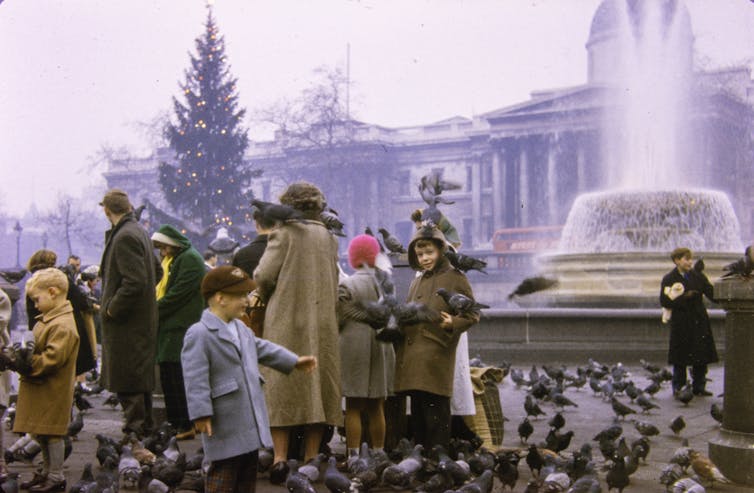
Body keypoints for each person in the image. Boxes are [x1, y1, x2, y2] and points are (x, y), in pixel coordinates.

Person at [182, 265, 317, 493]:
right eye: (240, 296)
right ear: (220, 298)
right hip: (222, 422)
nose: (246, 300)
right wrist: (200, 412)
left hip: (247, 422)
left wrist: (292, 360)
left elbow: (262, 348)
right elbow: (194, 376)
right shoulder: (199, 333)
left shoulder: (241, 329)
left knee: (246, 479)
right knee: (223, 477)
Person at [253, 181, 340, 482]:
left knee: (281, 386)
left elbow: (263, 275)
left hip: (286, 320)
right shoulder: (328, 236)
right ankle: (310, 458)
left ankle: (279, 458)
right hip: (322, 322)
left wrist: (264, 293)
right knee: (316, 387)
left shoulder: (284, 232)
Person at [393, 225, 480, 449]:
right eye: (420, 254)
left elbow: (473, 314)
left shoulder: (455, 277)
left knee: (436, 414)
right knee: (419, 414)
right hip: (413, 356)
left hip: (436, 355)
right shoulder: (416, 280)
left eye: (429, 253)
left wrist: (454, 322)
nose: (424, 258)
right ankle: (422, 460)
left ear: (441, 250)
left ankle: (437, 460)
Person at [1, 268, 80, 492]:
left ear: (53, 292)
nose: (35, 305)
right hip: (43, 389)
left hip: (52, 390)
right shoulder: (49, 319)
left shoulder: (62, 325)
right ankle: (45, 472)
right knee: (42, 433)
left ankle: (56, 476)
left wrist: (25, 364)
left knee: (52, 434)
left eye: (37, 299)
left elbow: (52, 359)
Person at [99, 189, 160, 437]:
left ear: (106, 210)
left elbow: (135, 281)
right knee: (138, 376)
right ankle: (145, 430)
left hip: (127, 323)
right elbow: (157, 271)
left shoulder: (124, 236)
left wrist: (113, 307)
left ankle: (134, 433)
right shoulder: (139, 232)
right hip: (140, 320)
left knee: (128, 378)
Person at [337, 234, 395, 453]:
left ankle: (353, 455)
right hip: (381, 348)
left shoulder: (347, 284)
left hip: (354, 349)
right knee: (376, 406)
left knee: (353, 407)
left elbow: (340, 319)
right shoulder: (385, 284)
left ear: (353, 257)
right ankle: (378, 452)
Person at [151, 224, 206, 440]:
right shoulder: (178, 258)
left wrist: (154, 310)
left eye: (164, 248)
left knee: (176, 375)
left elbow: (178, 293)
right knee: (169, 373)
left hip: (180, 325)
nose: (163, 253)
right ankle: (177, 423)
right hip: (171, 325)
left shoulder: (189, 259)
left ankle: (185, 424)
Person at [24, 250, 96, 381]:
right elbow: (80, 300)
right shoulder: (60, 278)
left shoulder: (33, 282)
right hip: (72, 324)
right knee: (73, 369)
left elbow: (32, 316)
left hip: (44, 330)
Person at [660, 247, 718, 396]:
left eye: (691, 259)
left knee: (701, 355)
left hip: (699, 320)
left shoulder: (698, 276)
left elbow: (712, 293)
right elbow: (664, 301)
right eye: (686, 259)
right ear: (677, 260)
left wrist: (729, 297)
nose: (690, 262)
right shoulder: (669, 279)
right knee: (680, 357)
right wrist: (684, 297)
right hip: (681, 322)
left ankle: (699, 386)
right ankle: (678, 387)